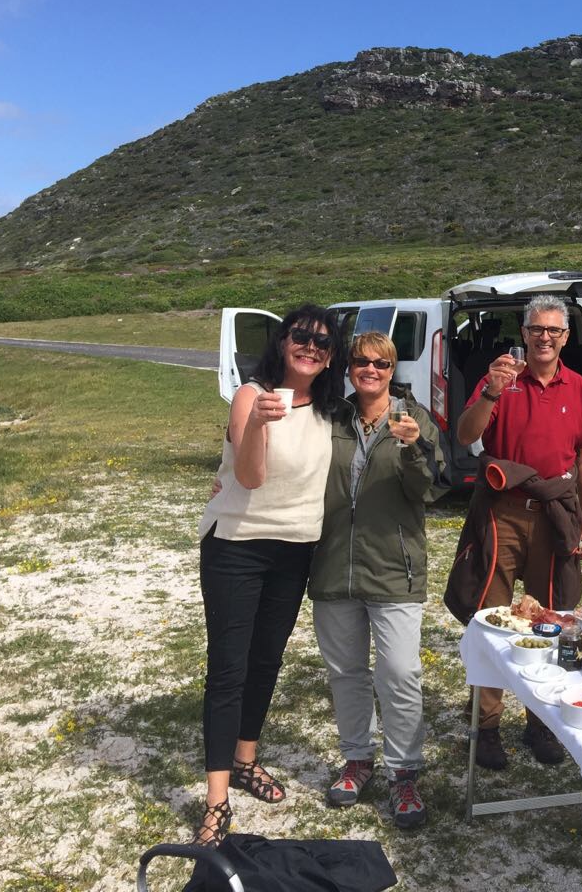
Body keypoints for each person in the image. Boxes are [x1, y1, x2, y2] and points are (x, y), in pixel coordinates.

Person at [194, 304, 344, 847]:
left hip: (295, 551)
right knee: (229, 667)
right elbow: (250, 478)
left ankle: (245, 759)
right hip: (237, 545)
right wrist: (257, 421)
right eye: (301, 337)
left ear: (332, 358)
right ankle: (216, 802)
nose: (311, 347)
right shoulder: (250, 395)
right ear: (283, 342)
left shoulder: (332, 411)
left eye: (323, 343)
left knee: (267, 659)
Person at [447, 293, 582, 769]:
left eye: (555, 331)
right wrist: (491, 391)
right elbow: (465, 435)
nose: (546, 338)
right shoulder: (501, 379)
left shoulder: (577, 387)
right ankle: (487, 726)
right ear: (525, 332)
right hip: (503, 511)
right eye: (538, 330)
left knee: (550, 620)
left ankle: (539, 722)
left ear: (566, 337)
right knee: (493, 619)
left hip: (555, 514)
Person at [307, 331, 444, 829]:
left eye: (381, 363)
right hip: (333, 566)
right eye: (361, 362)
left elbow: (428, 488)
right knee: (346, 673)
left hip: (394, 568)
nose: (370, 370)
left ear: (392, 369)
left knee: (401, 674)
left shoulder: (413, 418)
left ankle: (403, 772)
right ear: (349, 368)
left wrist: (413, 448)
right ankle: (358, 759)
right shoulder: (331, 417)